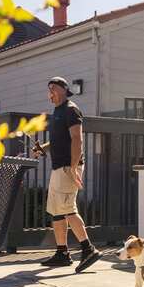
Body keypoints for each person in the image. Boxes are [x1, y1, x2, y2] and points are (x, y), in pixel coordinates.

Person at [32, 77, 101, 273]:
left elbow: (77, 139)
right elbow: (59, 141)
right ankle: (62, 253)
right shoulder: (58, 112)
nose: (50, 93)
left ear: (63, 89)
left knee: (68, 208)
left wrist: (73, 167)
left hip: (67, 168)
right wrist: (43, 149)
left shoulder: (71, 109)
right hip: (59, 167)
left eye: (53, 89)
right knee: (57, 211)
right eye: (48, 90)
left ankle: (89, 250)